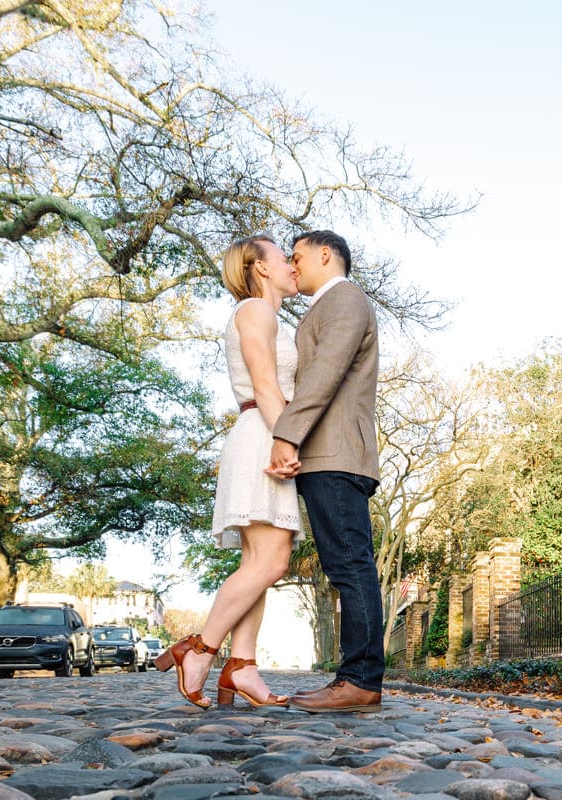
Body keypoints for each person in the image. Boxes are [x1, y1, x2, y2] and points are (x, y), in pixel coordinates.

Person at [154, 235, 301, 709]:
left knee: (257, 565)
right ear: (259, 267)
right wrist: (286, 438)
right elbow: (264, 379)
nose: (292, 266)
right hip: (264, 430)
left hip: (261, 428)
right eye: (284, 258)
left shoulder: (266, 313)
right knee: (273, 562)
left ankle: (243, 668)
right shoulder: (255, 310)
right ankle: (199, 650)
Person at [269, 229, 385, 713]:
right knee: (344, 566)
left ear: (324, 254)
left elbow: (325, 371)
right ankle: (353, 677)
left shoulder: (345, 299)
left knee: (350, 565)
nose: (293, 266)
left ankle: (360, 680)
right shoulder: (328, 303)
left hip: (336, 454)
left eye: (297, 257)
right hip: (327, 455)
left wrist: (286, 431)